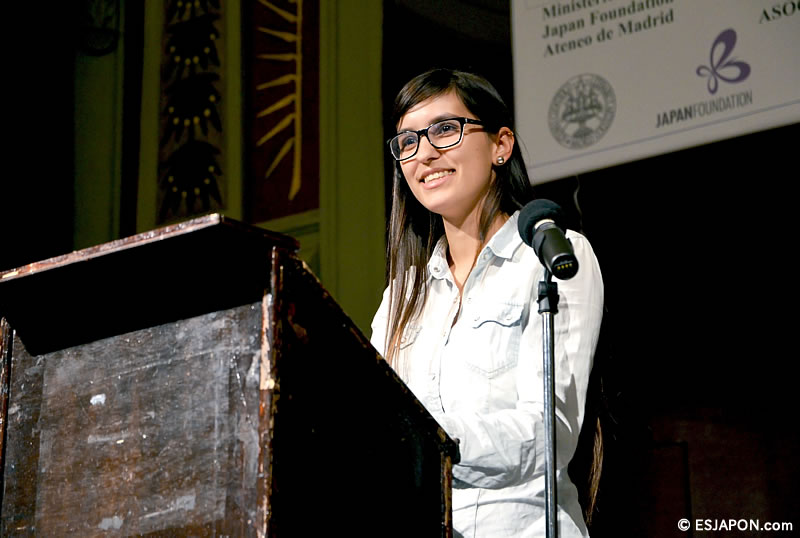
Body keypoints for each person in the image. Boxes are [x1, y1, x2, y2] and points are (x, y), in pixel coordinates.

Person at [370, 68, 604, 537]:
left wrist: (424, 440)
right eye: (408, 141)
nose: (425, 153)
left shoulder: (550, 258)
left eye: (444, 129)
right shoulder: (401, 295)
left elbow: (547, 434)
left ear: (501, 144)